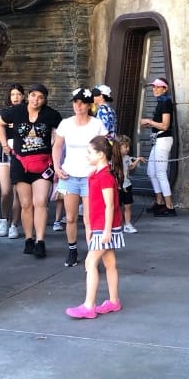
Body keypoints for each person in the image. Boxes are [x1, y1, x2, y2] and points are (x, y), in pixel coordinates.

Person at [0, 83, 63, 257]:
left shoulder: (51, 115)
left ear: (45, 99)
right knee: (25, 204)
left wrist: (55, 145)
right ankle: (28, 239)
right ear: (29, 96)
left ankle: (40, 240)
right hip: (20, 162)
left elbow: (61, 132)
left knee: (40, 202)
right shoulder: (17, 111)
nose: (36, 100)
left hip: (42, 163)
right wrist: (4, 144)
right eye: (33, 95)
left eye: (40, 97)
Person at [65, 136, 125, 319]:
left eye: (90, 153)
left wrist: (105, 230)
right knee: (110, 263)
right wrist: (91, 225)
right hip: (102, 226)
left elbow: (110, 206)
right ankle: (114, 301)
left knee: (90, 263)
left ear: (100, 155)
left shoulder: (105, 177)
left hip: (105, 228)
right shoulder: (99, 174)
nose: (87, 156)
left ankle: (89, 305)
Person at [52, 88, 107, 267]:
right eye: (75, 102)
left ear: (89, 105)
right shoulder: (66, 124)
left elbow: (106, 148)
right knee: (70, 217)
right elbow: (57, 146)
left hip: (90, 176)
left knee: (90, 218)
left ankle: (93, 254)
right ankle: (72, 249)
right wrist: (56, 167)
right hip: (69, 175)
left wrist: (100, 169)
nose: (78, 105)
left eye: (82, 102)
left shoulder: (97, 124)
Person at [0, 83, 25, 238]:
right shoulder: (4, 113)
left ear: (23, 96)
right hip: (6, 154)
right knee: (5, 191)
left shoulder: (27, 113)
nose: (16, 97)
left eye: (18, 94)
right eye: (13, 94)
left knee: (18, 192)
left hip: (22, 155)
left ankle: (14, 224)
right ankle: (3, 220)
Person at [140, 78, 176, 216]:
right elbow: (160, 123)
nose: (155, 89)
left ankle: (169, 206)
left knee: (160, 172)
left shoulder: (166, 102)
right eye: (153, 87)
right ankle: (160, 202)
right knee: (151, 172)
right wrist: (151, 124)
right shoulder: (161, 102)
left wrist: (149, 121)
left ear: (164, 89)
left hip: (164, 140)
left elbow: (165, 125)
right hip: (158, 139)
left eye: (158, 87)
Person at [115, 134, 142, 234]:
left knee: (128, 206)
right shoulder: (112, 159)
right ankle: (116, 225)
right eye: (125, 146)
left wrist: (137, 160)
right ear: (118, 147)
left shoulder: (127, 158)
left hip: (126, 185)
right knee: (115, 207)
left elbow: (130, 167)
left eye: (128, 146)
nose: (128, 149)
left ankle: (127, 224)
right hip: (116, 187)